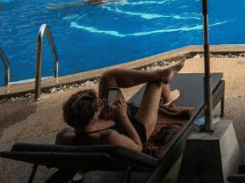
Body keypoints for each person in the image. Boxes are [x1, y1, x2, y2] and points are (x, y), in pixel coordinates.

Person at [56, 59, 185, 152]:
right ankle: (165, 91)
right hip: (139, 126)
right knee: (156, 82)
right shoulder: (107, 137)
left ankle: (159, 75)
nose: (101, 101)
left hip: (112, 116)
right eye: (98, 105)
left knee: (108, 77)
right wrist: (123, 117)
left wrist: (104, 113)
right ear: (93, 118)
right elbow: (138, 147)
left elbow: (67, 159)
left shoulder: (64, 135)